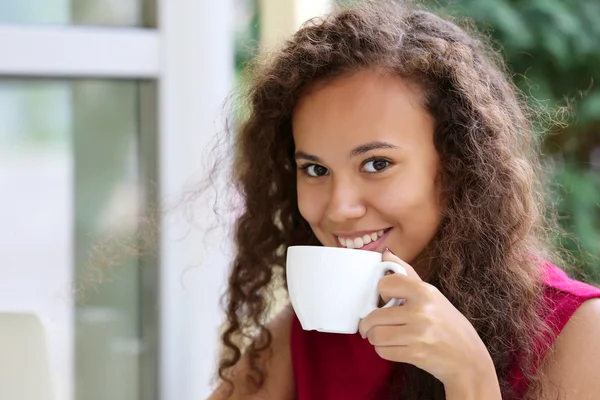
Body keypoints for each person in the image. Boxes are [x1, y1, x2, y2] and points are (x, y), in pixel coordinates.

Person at [208, 1, 600, 399]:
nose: (339, 208)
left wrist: (471, 377)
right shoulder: (305, 338)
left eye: (377, 163)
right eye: (315, 169)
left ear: (458, 164)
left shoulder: (579, 335)